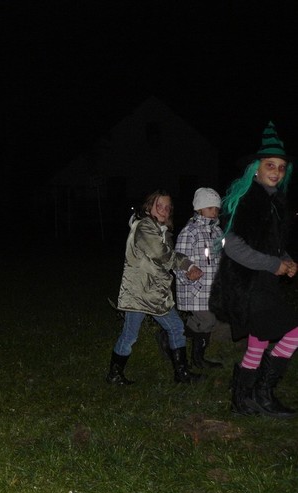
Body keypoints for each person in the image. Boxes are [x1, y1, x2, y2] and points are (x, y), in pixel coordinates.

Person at [210, 121, 298, 418]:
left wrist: (286, 259)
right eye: (270, 165)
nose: (276, 172)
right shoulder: (247, 200)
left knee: (258, 343)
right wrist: (274, 264)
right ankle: (263, 393)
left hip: (263, 284)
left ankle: (243, 398)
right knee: (293, 331)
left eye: (281, 167)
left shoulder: (275, 202)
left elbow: (271, 245)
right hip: (247, 285)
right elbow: (233, 247)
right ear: (255, 169)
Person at [107, 190, 204, 385]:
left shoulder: (161, 231)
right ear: (149, 207)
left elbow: (165, 258)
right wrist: (187, 265)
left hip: (151, 292)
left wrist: (186, 267)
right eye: (159, 206)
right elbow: (162, 254)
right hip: (142, 292)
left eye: (167, 207)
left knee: (168, 328)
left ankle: (180, 374)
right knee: (139, 333)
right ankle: (116, 374)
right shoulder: (144, 227)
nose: (163, 210)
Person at [173, 187, 224, 369]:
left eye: (216, 208)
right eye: (210, 208)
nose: (214, 212)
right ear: (199, 208)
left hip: (212, 289)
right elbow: (178, 259)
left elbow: (221, 257)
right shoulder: (190, 232)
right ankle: (197, 359)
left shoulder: (218, 232)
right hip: (195, 289)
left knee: (207, 321)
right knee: (207, 320)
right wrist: (188, 273)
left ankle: (174, 336)